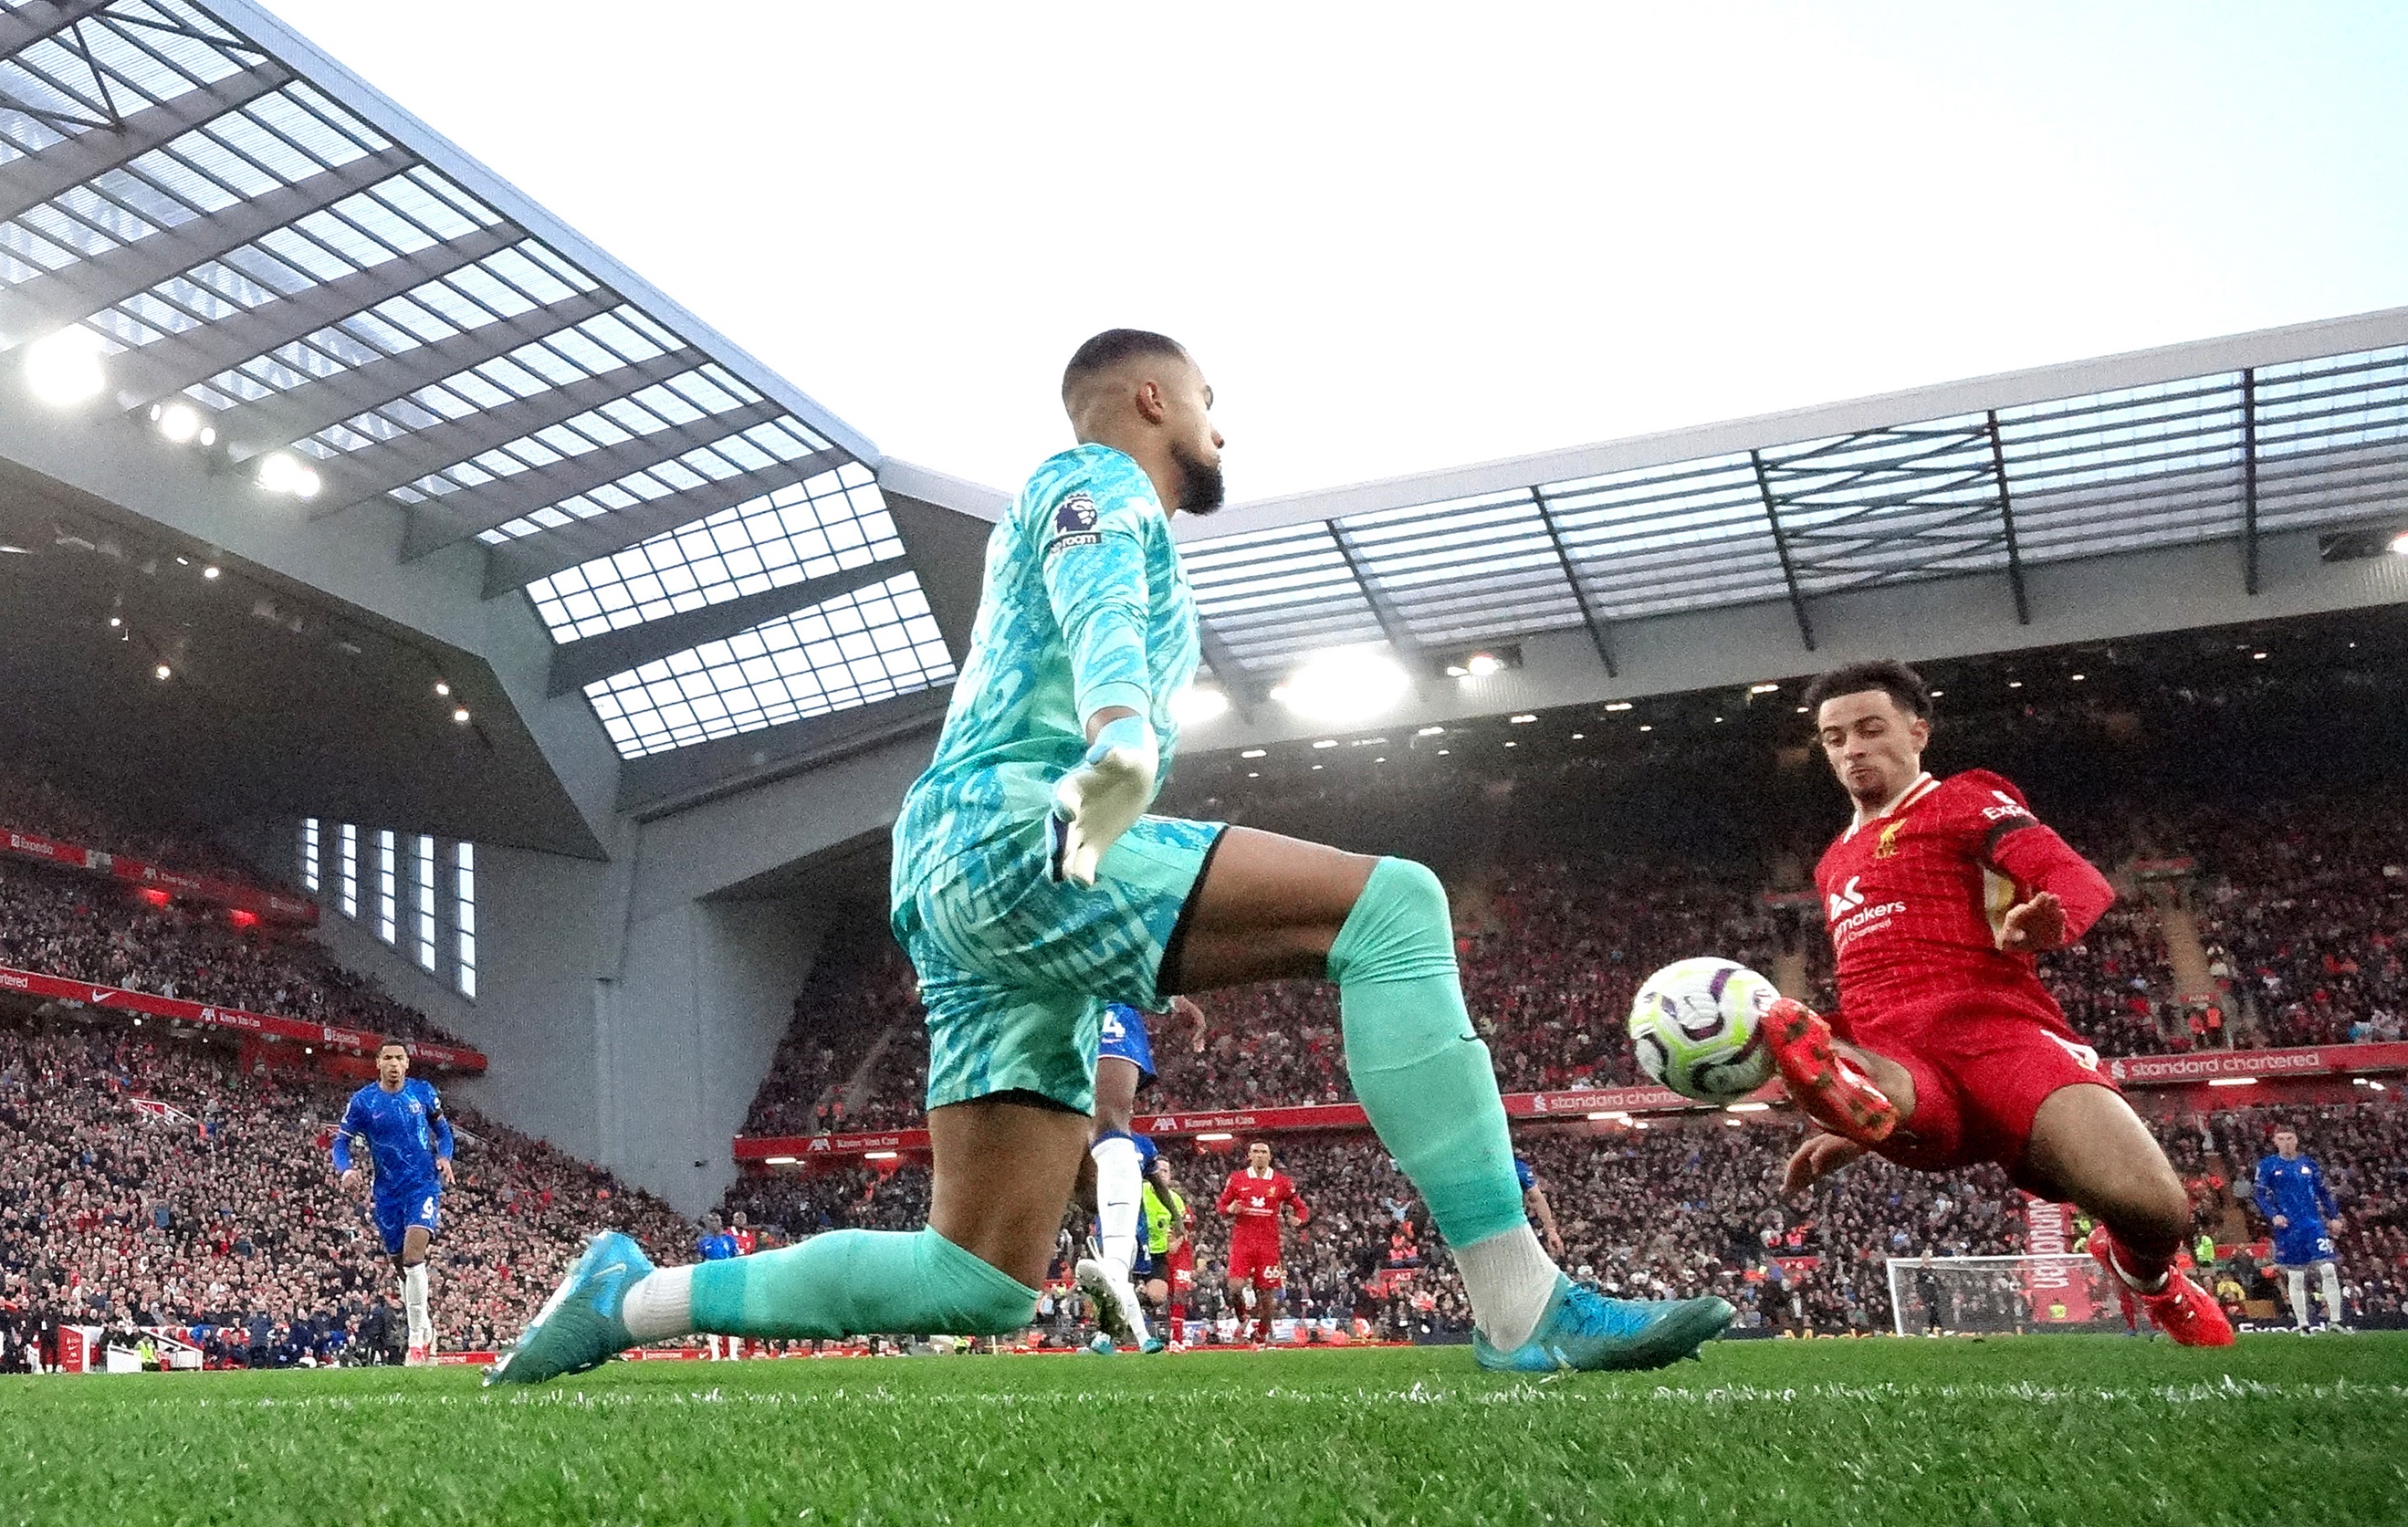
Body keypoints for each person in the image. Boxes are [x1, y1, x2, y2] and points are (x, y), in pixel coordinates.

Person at [490, 329, 1731, 1384]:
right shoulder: (1096, 479)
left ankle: (629, 1299)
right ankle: (1522, 1304)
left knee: (973, 1277)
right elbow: (1098, 599)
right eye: (1206, 405)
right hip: (1020, 825)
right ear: (1153, 398)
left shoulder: (1074, 502)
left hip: (955, 870)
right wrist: (1122, 735)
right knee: (1395, 908)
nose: (1217, 434)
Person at [1769, 660, 2231, 1347]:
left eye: (1870, 729)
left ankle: (2151, 1278)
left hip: (1998, 1031)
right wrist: (1852, 1115)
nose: (1852, 749)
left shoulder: (1963, 799)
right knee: (1802, 1033)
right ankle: (1849, 1094)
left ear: (1918, 730)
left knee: (2157, 1209)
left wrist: (2048, 921)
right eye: (1834, 738)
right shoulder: (1831, 860)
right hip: (1897, 1056)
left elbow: (2074, 878)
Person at [1076, 996, 1197, 1348]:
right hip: (1106, 1010)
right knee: (1103, 1126)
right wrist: (1176, 1001)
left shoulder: (1143, 1146)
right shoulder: (1135, 1145)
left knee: (1102, 1123)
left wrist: (1175, 1215)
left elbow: (1159, 1184)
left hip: (1084, 1006)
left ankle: (1124, 1333)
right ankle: (1122, 1335)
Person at [332, 1039, 455, 1365]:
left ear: (407, 1064)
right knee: (400, 1265)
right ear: (378, 1064)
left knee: (415, 1257)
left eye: (399, 1058)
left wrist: (444, 1158)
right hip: (387, 1192)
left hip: (422, 1185)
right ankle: (425, 1326)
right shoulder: (363, 1101)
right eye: (387, 1058)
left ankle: (415, 1341)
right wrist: (345, 1171)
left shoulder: (423, 1093)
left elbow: (444, 1133)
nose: (393, 1064)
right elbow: (340, 1145)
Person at [2254, 1125, 2346, 1332]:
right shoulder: (2268, 1165)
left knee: (2328, 1269)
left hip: (2313, 1225)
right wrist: (2273, 1215)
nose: (2286, 1142)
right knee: (2296, 1276)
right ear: (2275, 1142)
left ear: (2296, 1140)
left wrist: (2333, 1216)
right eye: (2281, 1139)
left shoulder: (2308, 1164)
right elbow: (2259, 1194)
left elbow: (2323, 1192)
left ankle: (2336, 1322)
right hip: (2288, 1228)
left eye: (2289, 1138)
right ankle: (2302, 1324)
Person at [1218, 1141, 1310, 1344]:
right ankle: (1242, 1316)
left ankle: (1260, 1335)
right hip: (1242, 1243)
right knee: (1234, 1287)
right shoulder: (1236, 1179)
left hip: (1268, 1245)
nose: (1259, 1155)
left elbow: (1302, 1209)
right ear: (1249, 1156)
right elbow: (1222, 1207)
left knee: (1267, 1295)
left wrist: (1298, 1220)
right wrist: (1230, 1209)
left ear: (1270, 1157)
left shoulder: (1281, 1182)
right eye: (1256, 1152)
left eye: (1264, 1152)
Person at [1141, 1155, 1197, 1349]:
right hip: (1148, 1253)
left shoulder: (1176, 1200)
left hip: (1178, 1254)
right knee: (1159, 1297)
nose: (1162, 1174)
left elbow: (1187, 1227)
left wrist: (1178, 1241)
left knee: (1180, 1292)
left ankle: (1176, 1339)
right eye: (1159, 1170)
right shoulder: (1140, 1193)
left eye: (1166, 1171)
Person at [696, 1215, 740, 1359]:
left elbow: (737, 1260)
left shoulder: (729, 1240)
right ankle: (715, 1354)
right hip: (711, 1282)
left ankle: (733, 1354)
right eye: (711, 1221)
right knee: (713, 1317)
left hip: (727, 1281)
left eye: (717, 1221)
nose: (714, 1224)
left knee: (731, 1316)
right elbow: (700, 1261)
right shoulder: (704, 1242)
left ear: (721, 1223)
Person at [1515, 1155, 1566, 1260]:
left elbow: (1537, 1198)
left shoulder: (1516, 1167)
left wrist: (1551, 1230)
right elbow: (1537, 1198)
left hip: (1514, 1223)